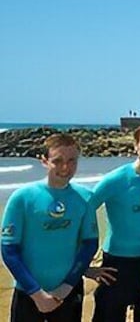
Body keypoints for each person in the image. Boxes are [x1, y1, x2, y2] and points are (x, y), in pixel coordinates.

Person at [1, 133, 98, 322]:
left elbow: (89, 245)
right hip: (28, 292)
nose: (65, 167)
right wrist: (37, 294)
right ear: (44, 161)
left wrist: (66, 287)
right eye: (58, 161)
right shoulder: (22, 198)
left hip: (68, 291)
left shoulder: (85, 198)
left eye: (72, 160)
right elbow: (9, 251)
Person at [88, 121, 140, 322]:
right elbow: (83, 213)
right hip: (116, 263)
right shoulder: (116, 179)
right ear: (135, 146)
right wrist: (86, 263)